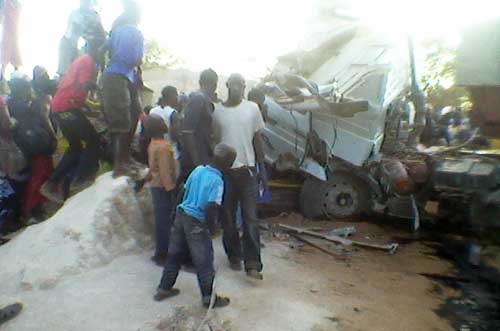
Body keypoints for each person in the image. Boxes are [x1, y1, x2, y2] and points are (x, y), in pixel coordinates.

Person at [154, 143, 236, 309]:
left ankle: (163, 288)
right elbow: (212, 207)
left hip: (181, 214)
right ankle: (208, 298)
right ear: (227, 164)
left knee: (174, 255)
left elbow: (182, 191)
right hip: (197, 221)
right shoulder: (218, 181)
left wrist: (174, 213)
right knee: (204, 261)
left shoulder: (198, 170)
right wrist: (212, 229)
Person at [213, 74, 267, 280]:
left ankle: (253, 264)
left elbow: (257, 139)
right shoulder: (217, 112)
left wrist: (262, 169)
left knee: (250, 218)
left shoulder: (252, 109)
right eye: (235, 85)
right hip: (226, 173)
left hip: (248, 171)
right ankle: (234, 255)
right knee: (227, 217)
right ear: (227, 86)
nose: (239, 88)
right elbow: (215, 141)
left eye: (242, 85)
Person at [41, 51, 101, 203]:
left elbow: (77, 91)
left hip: (59, 107)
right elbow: (85, 84)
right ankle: (80, 180)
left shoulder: (81, 61)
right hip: (68, 106)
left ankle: (51, 184)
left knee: (75, 147)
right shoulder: (88, 60)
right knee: (93, 140)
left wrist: (90, 108)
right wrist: (103, 90)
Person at [100, 8, 144, 178]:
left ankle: (125, 159)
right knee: (123, 121)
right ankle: (120, 165)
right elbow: (137, 59)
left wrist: (103, 67)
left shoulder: (117, 32)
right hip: (119, 76)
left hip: (120, 75)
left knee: (134, 113)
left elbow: (100, 50)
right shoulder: (135, 33)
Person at [8, 76, 56, 221]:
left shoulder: (12, 104)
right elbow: (43, 118)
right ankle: (29, 211)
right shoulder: (24, 105)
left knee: (38, 175)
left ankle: (36, 209)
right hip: (35, 144)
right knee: (39, 176)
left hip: (28, 144)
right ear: (23, 89)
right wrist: (53, 135)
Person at [144, 115, 177, 266]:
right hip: (163, 187)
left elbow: (153, 167)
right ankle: (162, 254)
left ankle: (160, 252)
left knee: (161, 220)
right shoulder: (164, 146)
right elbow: (165, 171)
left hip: (155, 185)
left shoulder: (153, 144)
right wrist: (172, 189)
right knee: (165, 221)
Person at [179, 69, 219, 183]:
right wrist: (197, 162)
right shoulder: (198, 99)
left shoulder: (203, 100)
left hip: (202, 155)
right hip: (196, 159)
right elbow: (187, 132)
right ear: (215, 84)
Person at [58, 0, 105, 77]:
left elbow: (101, 32)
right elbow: (79, 28)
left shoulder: (94, 15)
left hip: (83, 45)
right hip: (68, 44)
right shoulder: (76, 14)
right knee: (66, 72)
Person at [150, 86, 181, 176]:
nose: (177, 99)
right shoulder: (173, 113)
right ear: (171, 96)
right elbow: (175, 137)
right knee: (171, 180)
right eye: (176, 96)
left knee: (157, 178)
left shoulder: (153, 111)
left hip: (154, 150)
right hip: (171, 152)